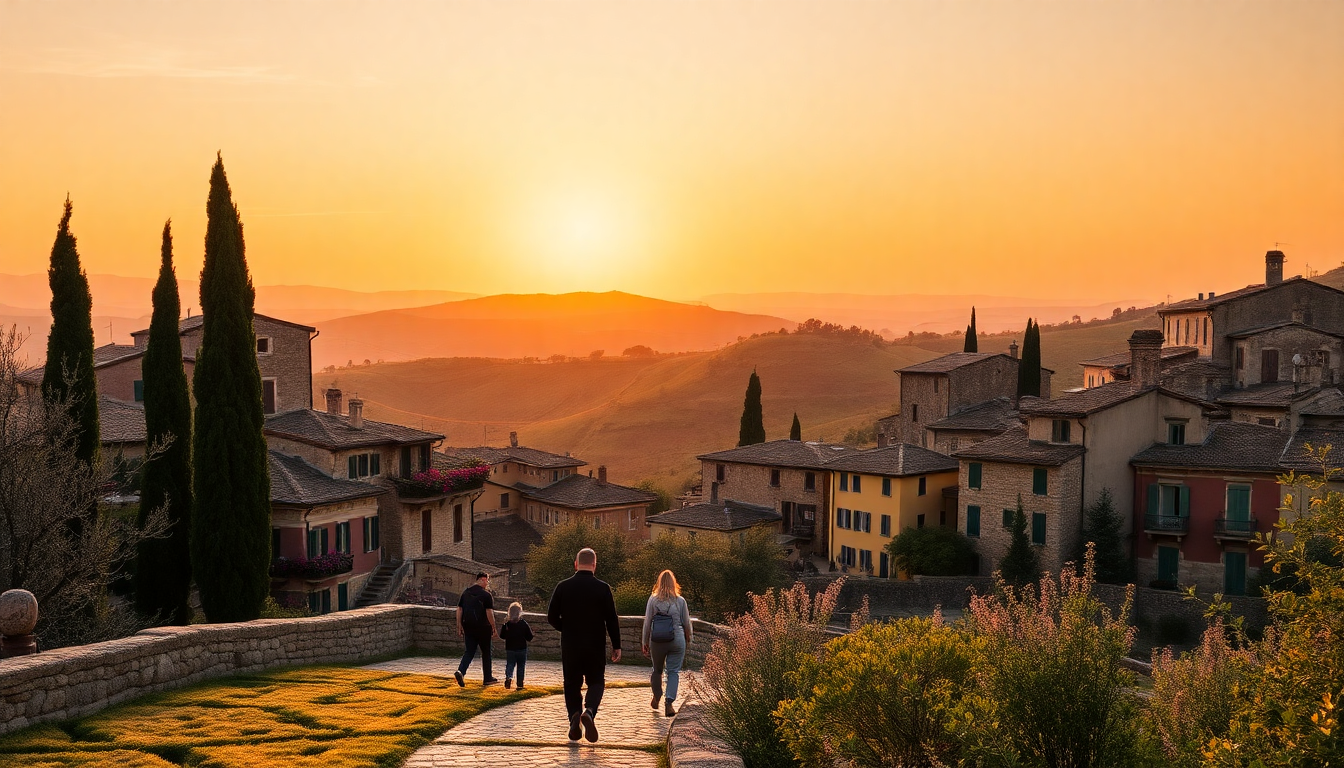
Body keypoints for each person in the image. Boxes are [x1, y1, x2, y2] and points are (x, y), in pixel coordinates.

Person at [547, 547, 622, 743]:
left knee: (571, 683)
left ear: (576, 564)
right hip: (595, 643)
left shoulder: (563, 587)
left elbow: (551, 617)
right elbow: (611, 619)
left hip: (571, 644)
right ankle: (588, 711)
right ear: (594, 565)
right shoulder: (603, 588)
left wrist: (567, 628)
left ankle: (574, 716)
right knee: (596, 681)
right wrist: (617, 645)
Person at [641, 569, 693, 717]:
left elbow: (647, 622)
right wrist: (689, 638)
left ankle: (657, 695)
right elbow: (686, 623)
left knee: (657, 670)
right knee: (673, 671)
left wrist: (645, 641)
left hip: (657, 639)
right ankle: (669, 703)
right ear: (673, 583)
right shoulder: (680, 601)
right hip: (676, 639)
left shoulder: (653, 600)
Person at [454, 572, 498, 687]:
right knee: (486, 652)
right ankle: (488, 678)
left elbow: (459, 610)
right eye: (486, 580)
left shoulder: (466, 593)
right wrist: (493, 626)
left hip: (468, 626)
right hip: (483, 627)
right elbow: (489, 612)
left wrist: (459, 625)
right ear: (483, 579)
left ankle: (461, 671)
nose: (487, 583)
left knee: (469, 651)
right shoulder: (486, 595)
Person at [499, 601, 534, 689]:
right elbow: (529, 637)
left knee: (510, 664)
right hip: (522, 648)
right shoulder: (523, 624)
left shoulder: (507, 624)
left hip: (510, 648)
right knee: (521, 666)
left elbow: (502, 636)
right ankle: (520, 684)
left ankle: (508, 677)